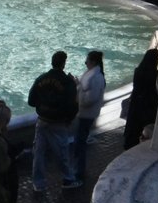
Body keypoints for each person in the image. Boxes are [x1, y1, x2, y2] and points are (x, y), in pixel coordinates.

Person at [26, 50, 80, 193]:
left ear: (52, 61)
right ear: (64, 63)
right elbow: (73, 105)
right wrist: (68, 119)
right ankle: (68, 179)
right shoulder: (68, 82)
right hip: (58, 122)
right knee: (62, 152)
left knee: (39, 152)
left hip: (42, 120)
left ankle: (38, 183)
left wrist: (43, 106)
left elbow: (31, 101)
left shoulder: (41, 79)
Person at [72, 50, 105, 184]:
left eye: (88, 60)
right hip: (85, 113)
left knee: (79, 143)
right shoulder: (93, 74)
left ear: (94, 62)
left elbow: (89, 99)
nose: (85, 63)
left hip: (86, 114)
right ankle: (78, 169)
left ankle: (79, 171)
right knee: (79, 142)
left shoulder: (95, 77)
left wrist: (78, 87)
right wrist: (77, 83)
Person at [123, 49, 158, 150]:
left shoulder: (138, 71)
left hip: (136, 105)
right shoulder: (157, 75)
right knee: (145, 131)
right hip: (149, 107)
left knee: (133, 131)